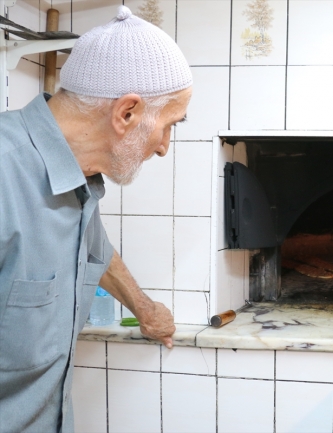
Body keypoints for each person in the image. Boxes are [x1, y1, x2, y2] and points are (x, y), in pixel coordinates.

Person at [0, 6, 192, 432]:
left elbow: (93, 249)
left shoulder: (78, 178)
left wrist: (144, 308)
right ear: (126, 114)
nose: (163, 147)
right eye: (169, 125)